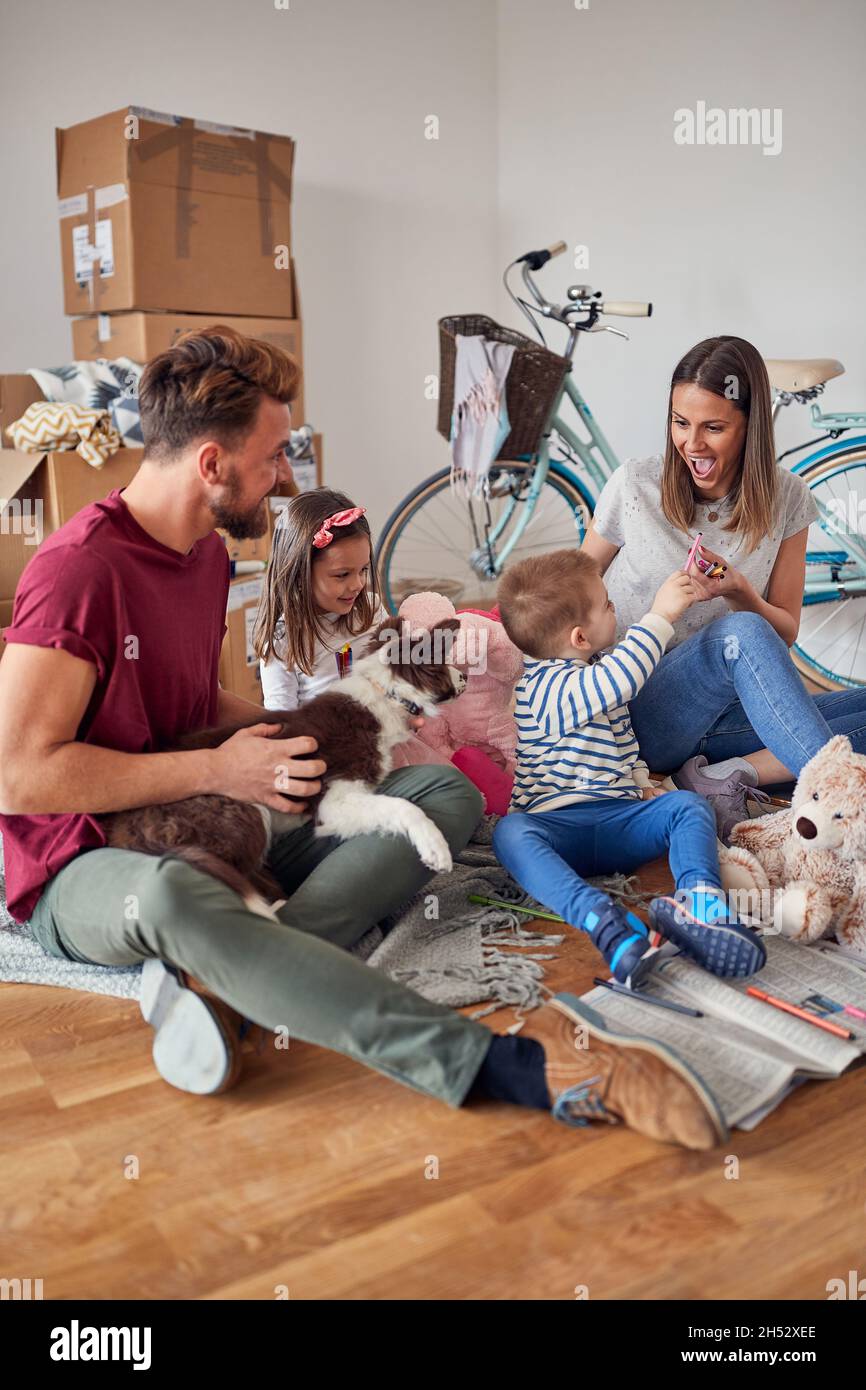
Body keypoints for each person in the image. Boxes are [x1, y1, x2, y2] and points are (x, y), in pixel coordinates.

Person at [0, 326, 728, 1151]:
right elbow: (22, 776)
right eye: (276, 457)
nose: (285, 476)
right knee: (173, 898)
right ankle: (515, 1067)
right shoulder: (77, 571)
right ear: (211, 464)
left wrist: (299, 735)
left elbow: (185, 698)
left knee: (440, 794)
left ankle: (239, 972)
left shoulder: (203, 558)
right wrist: (219, 767)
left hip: (207, 809)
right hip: (82, 859)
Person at [582, 335, 866, 840]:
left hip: (724, 719)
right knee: (738, 633)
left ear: (750, 427)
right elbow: (569, 593)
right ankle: (840, 809)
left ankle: (722, 776)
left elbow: (784, 631)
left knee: (752, 628)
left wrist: (739, 590)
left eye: (714, 427)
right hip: (639, 714)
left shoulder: (787, 499)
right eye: (680, 422)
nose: (692, 444)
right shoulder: (634, 485)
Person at [493, 549, 767, 985]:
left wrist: (640, 782)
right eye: (607, 604)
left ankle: (701, 904)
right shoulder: (543, 688)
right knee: (509, 834)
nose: (614, 606)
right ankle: (605, 923)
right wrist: (660, 616)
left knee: (687, 808)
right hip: (557, 828)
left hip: (619, 819)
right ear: (580, 637)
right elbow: (620, 680)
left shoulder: (598, 671)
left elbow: (623, 741)